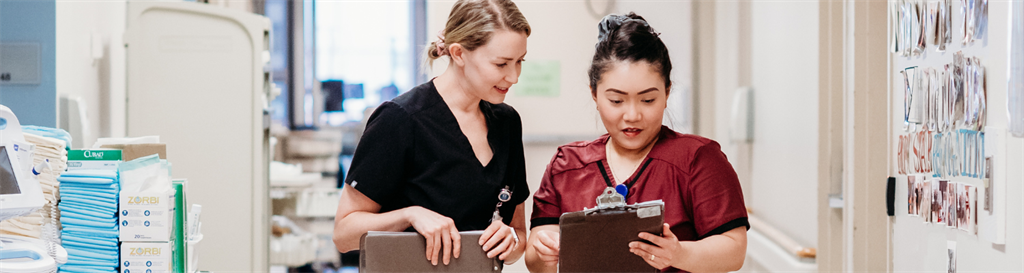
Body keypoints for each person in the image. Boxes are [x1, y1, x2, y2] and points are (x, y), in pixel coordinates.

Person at [524, 13, 748, 273]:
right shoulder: (566, 165)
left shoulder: (698, 159)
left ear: (666, 92)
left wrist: (678, 254)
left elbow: (734, 250)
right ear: (594, 94)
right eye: (617, 101)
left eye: (647, 100)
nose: (632, 115)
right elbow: (535, 259)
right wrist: (548, 253)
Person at [332, 0, 531, 266]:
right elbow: (343, 234)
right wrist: (409, 215)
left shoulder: (507, 122)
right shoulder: (400, 120)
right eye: (501, 64)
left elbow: (519, 235)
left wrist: (511, 240)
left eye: (520, 62)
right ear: (459, 54)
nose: (514, 76)